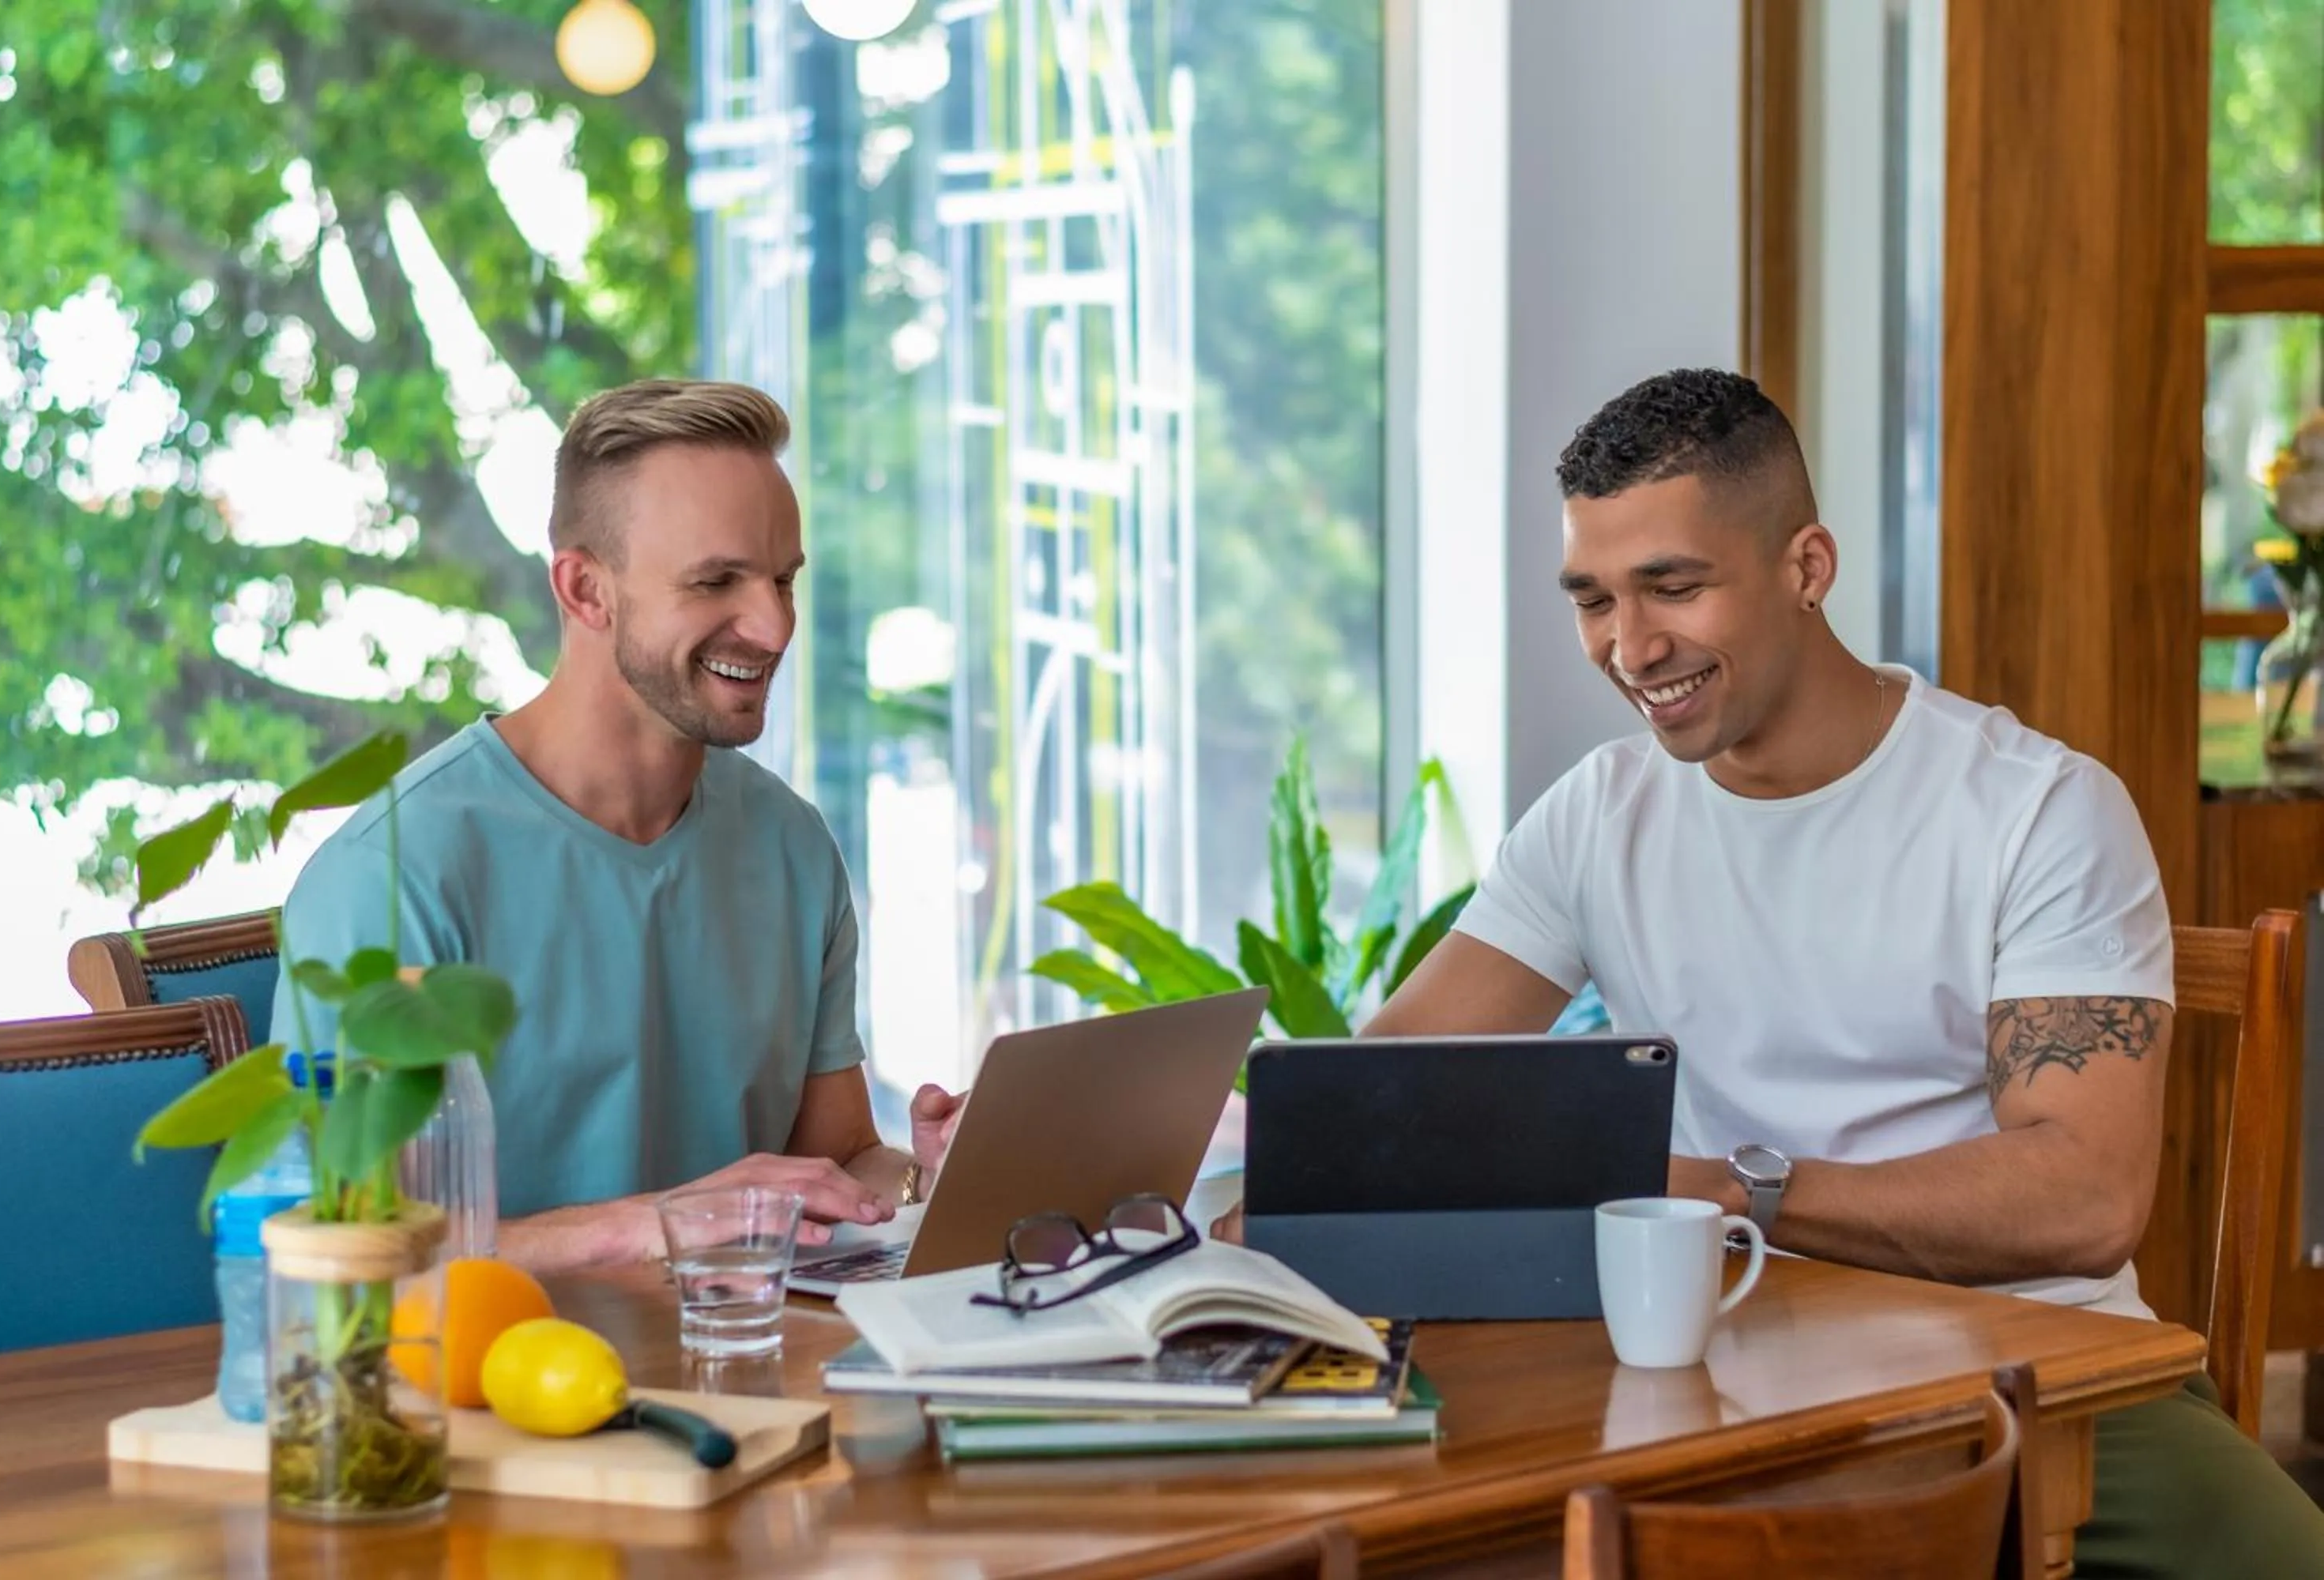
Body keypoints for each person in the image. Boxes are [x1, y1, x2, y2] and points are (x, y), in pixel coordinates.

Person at [1221, 368, 2324, 1575]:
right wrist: (1202, 1160)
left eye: (1673, 588)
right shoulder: (1601, 813)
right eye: (1592, 598)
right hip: (1712, 1368)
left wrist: (1730, 1194)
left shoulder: (2038, 810)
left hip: (2037, 1371)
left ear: (1808, 567)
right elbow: (1384, 1093)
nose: (1630, 648)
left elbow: (2085, 1198)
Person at [277, 379, 963, 1275]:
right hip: (493, 1392)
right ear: (585, 588)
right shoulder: (395, 874)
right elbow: (340, 1252)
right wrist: (652, 1224)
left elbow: (837, 1163)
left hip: (748, 1369)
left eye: (783, 579)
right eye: (716, 580)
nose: (772, 624)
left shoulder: (792, 848)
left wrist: (927, 1176)